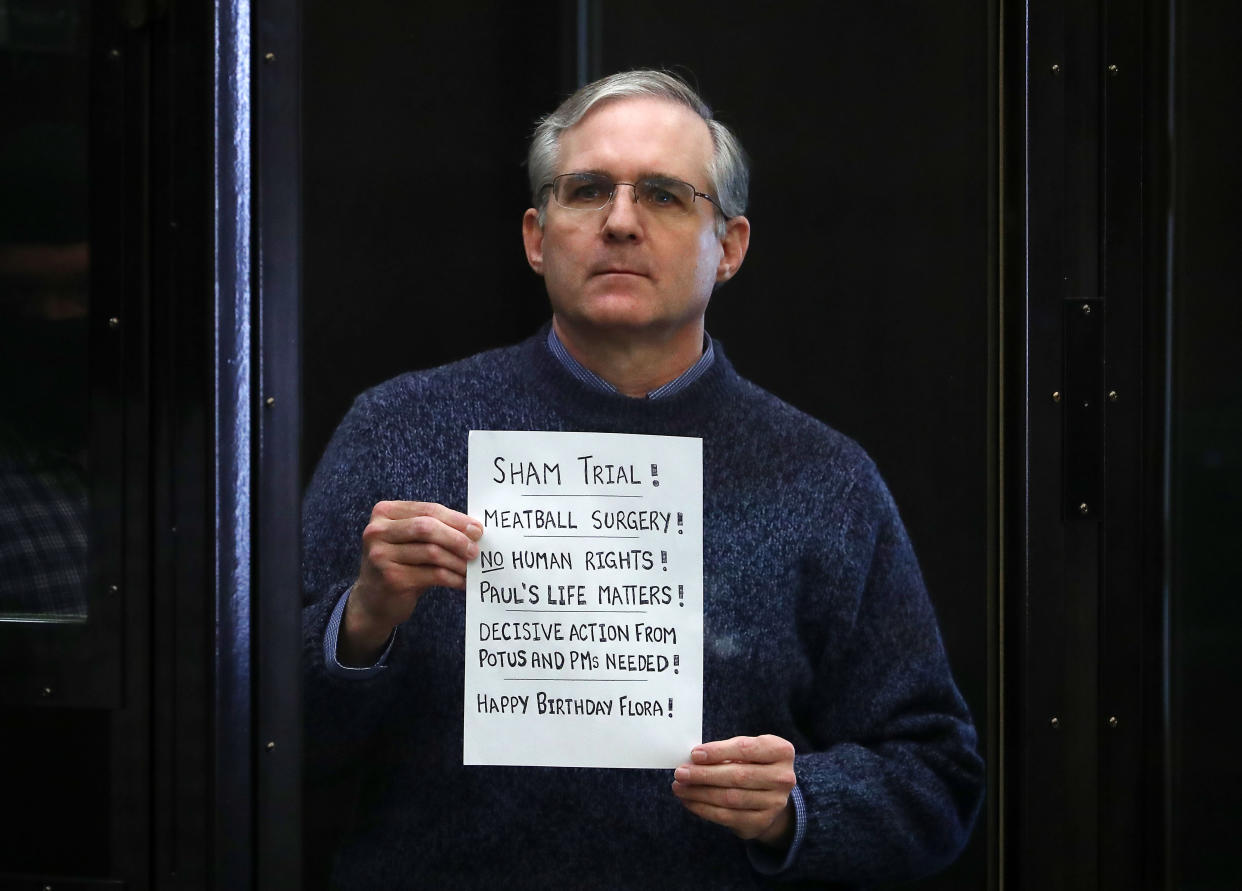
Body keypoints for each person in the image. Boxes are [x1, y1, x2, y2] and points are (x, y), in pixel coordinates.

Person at [302, 69, 983, 888]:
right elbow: (254, 742)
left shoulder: (824, 478)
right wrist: (362, 623)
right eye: (587, 190)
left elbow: (938, 779)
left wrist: (798, 804)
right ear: (535, 235)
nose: (620, 222)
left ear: (728, 247)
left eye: (663, 195)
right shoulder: (397, 431)